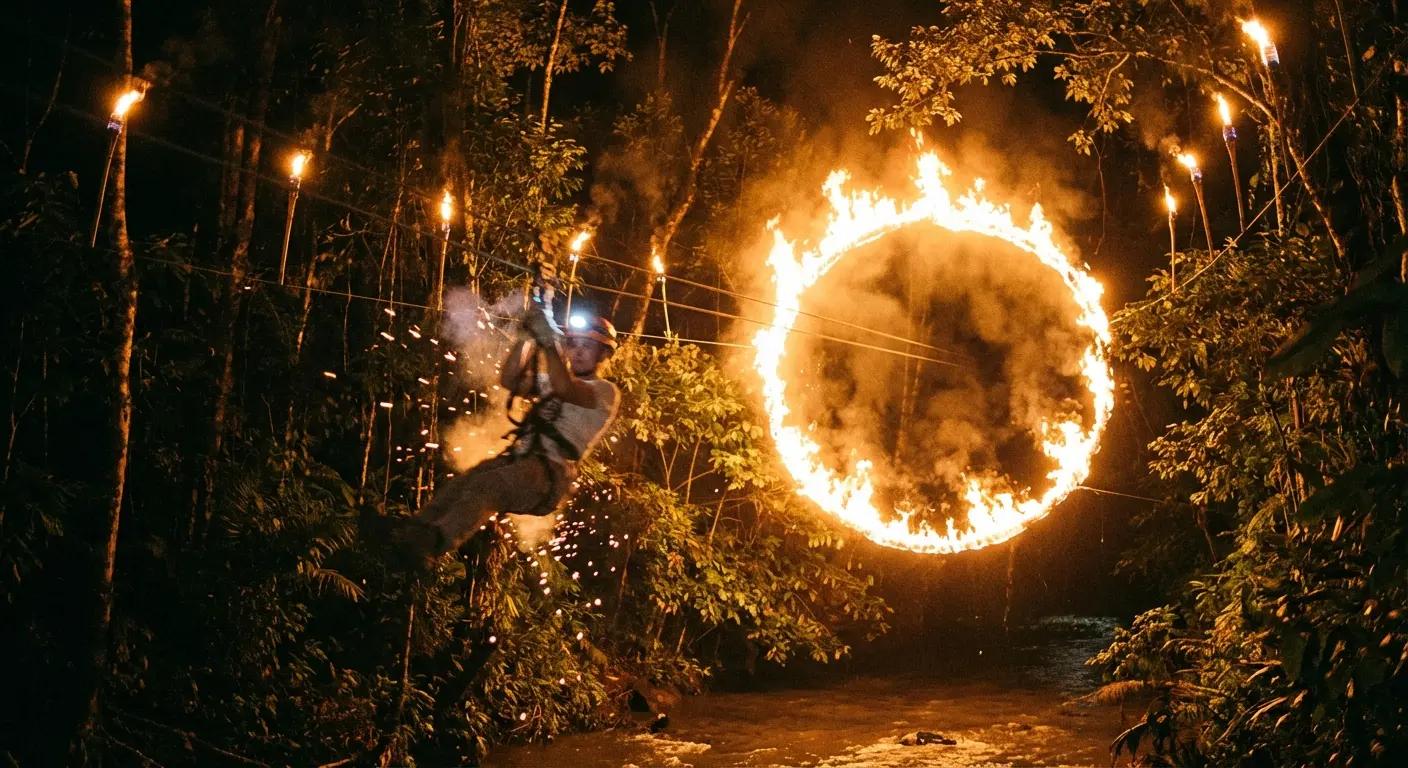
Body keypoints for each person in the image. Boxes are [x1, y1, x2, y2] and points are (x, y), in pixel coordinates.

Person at [393, 308, 621, 567]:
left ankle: (433, 542)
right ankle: (413, 531)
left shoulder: (605, 392)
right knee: (465, 482)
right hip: (522, 460)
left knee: (488, 486)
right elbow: (510, 379)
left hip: (549, 473)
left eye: (587, 347)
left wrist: (547, 342)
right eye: (573, 344)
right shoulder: (550, 380)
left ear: (604, 354)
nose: (578, 351)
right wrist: (525, 337)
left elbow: (565, 388)